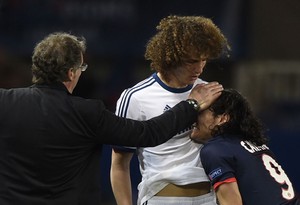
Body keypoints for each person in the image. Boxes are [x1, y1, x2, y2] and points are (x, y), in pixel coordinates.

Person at [0, 32, 224, 205]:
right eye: (82, 67)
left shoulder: (4, 102)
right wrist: (191, 105)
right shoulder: (87, 113)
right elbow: (148, 133)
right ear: (71, 73)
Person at [110, 15, 230, 205]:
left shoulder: (210, 92)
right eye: (191, 61)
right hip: (162, 198)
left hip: (209, 198)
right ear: (170, 57)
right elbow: (119, 165)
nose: (199, 68)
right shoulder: (135, 97)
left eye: (204, 59)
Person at [190, 89, 300, 205]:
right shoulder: (252, 143)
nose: (194, 117)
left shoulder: (214, 150)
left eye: (201, 112)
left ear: (222, 119)